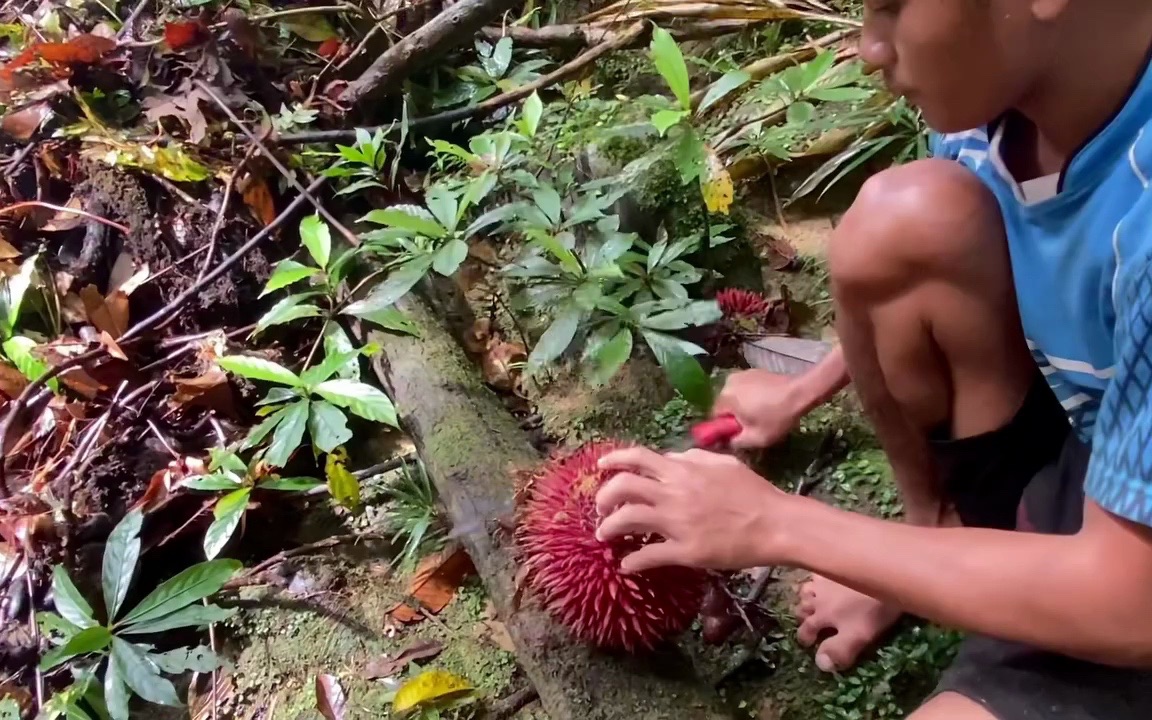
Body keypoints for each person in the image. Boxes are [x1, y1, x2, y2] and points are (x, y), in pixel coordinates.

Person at [593, 1, 1152, 718]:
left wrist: (778, 524)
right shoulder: (1006, 93)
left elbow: (1131, 605)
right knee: (903, 218)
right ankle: (934, 536)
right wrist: (801, 393)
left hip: (1128, 580)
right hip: (1097, 440)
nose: (865, 49)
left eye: (891, 6)